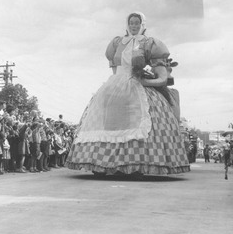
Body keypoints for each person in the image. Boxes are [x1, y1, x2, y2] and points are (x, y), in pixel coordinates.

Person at [67, 12, 190, 176]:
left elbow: (162, 78)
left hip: (138, 86)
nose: (133, 26)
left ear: (142, 24)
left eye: (137, 23)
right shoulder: (117, 43)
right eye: (131, 23)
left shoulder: (149, 43)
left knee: (140, 124)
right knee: (108, 123)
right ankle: (103, 163)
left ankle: (135, 164)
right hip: (115, 86)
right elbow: (115, 70)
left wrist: (144, 81)